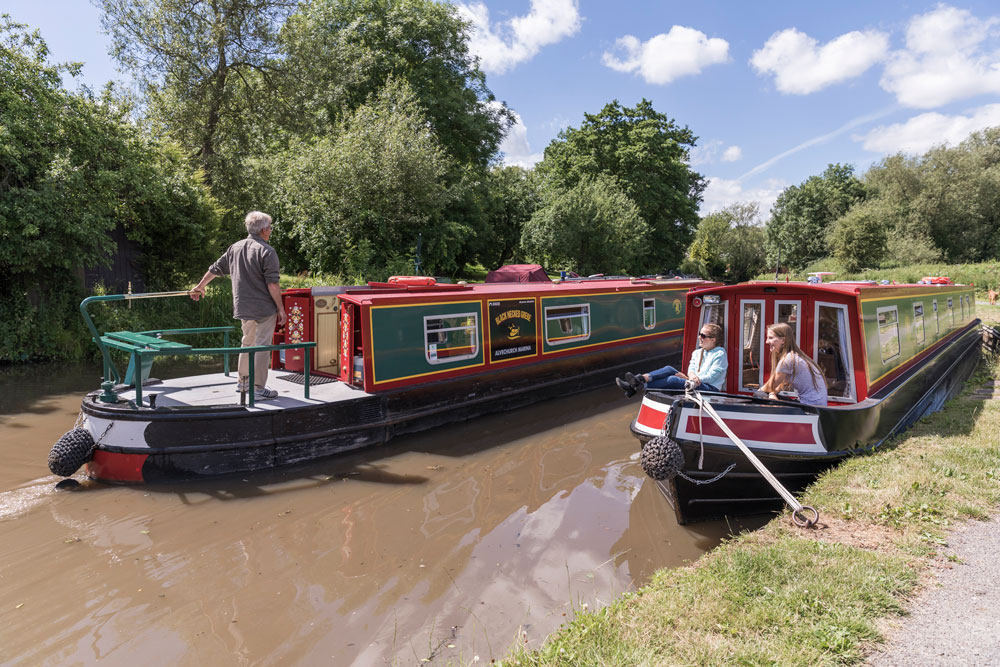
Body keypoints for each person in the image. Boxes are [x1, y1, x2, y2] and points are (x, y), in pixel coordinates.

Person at [190, 211, 287, 400]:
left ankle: (243, 383)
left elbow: (215, 269)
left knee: (247, 342)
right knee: (262, 346)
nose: (270, 231)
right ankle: (258, 388)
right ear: (264, 230)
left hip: (243, 306)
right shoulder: (267, 251)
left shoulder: (235, 247)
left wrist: (200, 286)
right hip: (264, 308)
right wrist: (281, 308)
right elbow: (273, 284)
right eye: (270, 228)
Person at [616, 322, 727, 398]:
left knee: (673, 380)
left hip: (709, 388)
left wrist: (692, 379)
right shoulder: (697, 352)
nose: (699, 337)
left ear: (713, 340)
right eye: (699, 334)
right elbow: (692, 368)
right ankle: (639, 380)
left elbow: (712, 376)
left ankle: (636, 387)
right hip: (694, 381)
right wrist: (691, 376)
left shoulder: (720, 354)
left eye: (703, 336)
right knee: (669, 369)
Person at [759, 322, 828, 406]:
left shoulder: (788, 360)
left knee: (760, 397)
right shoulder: (794, 356)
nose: (766, 342)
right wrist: (772, 393)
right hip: (816, 404)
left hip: (811, 406)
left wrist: (760, 393)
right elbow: (778, 386)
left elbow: (769, 387)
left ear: (783, 340)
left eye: (770, 338)